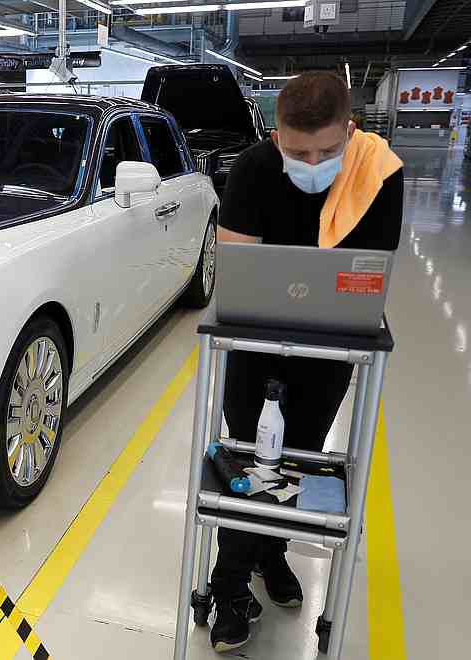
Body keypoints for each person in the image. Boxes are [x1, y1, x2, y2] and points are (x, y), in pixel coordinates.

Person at [210, 72, 404, 653]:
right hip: (253, 348)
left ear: (350, 129)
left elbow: (370, 275)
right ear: (276, 135)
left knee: (300, 461)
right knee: (249, 467)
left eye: (326, 151)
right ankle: (229, 588)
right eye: (297, 152)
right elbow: (237, 275)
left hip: (330, 348)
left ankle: (272, 556)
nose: (312, 163)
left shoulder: (377, 174)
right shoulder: (250, 170)